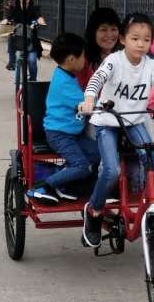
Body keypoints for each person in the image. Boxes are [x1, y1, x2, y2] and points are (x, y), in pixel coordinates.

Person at [78, 13, 154, 248]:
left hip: (134, 121)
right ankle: (94, 211)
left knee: (152, 158)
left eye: (146, 39)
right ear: (123, 39)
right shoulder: (113, 61)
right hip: (108, 121)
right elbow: (97, 79)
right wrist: (90, 98)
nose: (141, 44)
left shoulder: (151, 65)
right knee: (111, 170)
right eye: (135, 39)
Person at [24, 33, 101, 204]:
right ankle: (42, 186)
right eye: (83, 56)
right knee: (81, 166)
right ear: (72, 59)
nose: (85, 60)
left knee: (97, 153)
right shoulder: (64, 83)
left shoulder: (66, 74)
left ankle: (69, 185)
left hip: (74, 133)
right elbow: (87, 104)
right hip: (59, 134)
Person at [77, 7, 122, 88]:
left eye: (113, 29)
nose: (109, 35)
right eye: (103, 30)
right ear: (93, 32)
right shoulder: (82, 61)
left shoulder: (123, 56)